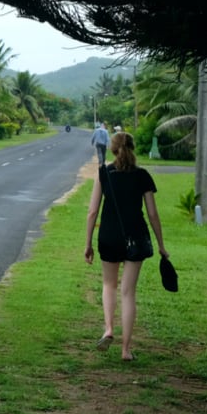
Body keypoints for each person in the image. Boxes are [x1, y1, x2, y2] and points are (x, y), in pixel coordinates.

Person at [84, 131, 168, 362]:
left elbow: (92, 212)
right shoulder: (142, 176)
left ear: (113, 149)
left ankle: (109, 329)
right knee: (128, 292)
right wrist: (161, 245)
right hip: (136, 237)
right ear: (133, 148)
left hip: (109, 235)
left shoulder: (104, 173)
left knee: (109, 285)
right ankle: (126, 350)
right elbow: (152, 213)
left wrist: (88, 243)